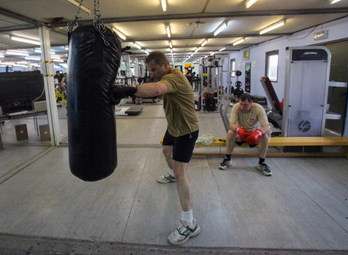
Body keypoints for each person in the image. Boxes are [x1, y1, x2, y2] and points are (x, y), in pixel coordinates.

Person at [110, 51, 200, 245]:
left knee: (181, 173)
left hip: (186, 130)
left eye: (153, 69)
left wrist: (128, 90)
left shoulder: (173, 77)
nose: (151, 73)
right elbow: (155, 86)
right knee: (166, 150)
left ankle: (189, 223)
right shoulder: (167, 74)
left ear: (164, 65)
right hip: (174, 126)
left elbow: (158, 89)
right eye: (149, 69)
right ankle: (170, 174)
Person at [219, 93, 272, 176]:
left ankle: (262, 163)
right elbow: (231, 124)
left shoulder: (258, 108)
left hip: (254, 134)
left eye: (246, 105)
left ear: (251, 103)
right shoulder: (236, 107)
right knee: (230, 133)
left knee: (265, 136)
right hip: (242, 134)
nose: (243, 107)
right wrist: (238, 129)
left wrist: (258, 133)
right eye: (241, 104)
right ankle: (227, 159)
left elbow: (266, 127)